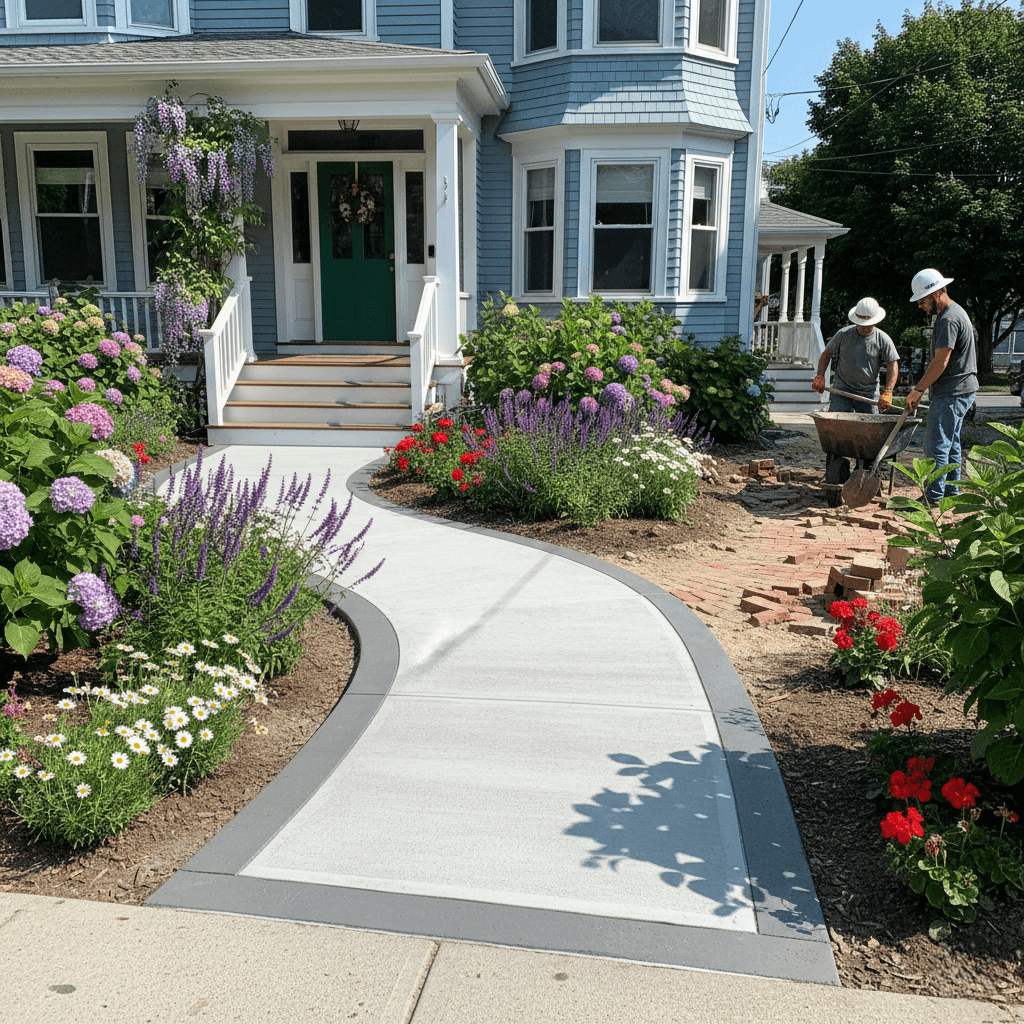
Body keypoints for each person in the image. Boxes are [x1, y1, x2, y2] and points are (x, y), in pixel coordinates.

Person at [905, 268, 978, 505]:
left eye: (922, 301)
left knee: (936, 445)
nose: (920, 306)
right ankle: (950, 492)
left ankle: (933, 496)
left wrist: (918, 389)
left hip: (953, 390)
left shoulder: (948, 319)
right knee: (951, 443)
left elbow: (940, 361)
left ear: (936, 293)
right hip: (959, 388)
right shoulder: (952, 313)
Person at [812, 298, 900, 479]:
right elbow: (826, 354)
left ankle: (867, 473)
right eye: (861, 324)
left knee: (870, 436)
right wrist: (820, 375)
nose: (864, 328)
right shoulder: (843, 335)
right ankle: (833, 470)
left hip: (868, 393)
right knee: (835, 432)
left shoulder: (882, 339)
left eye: (868, 324)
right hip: (842, 390)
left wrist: (888, 391)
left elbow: (892, 365)